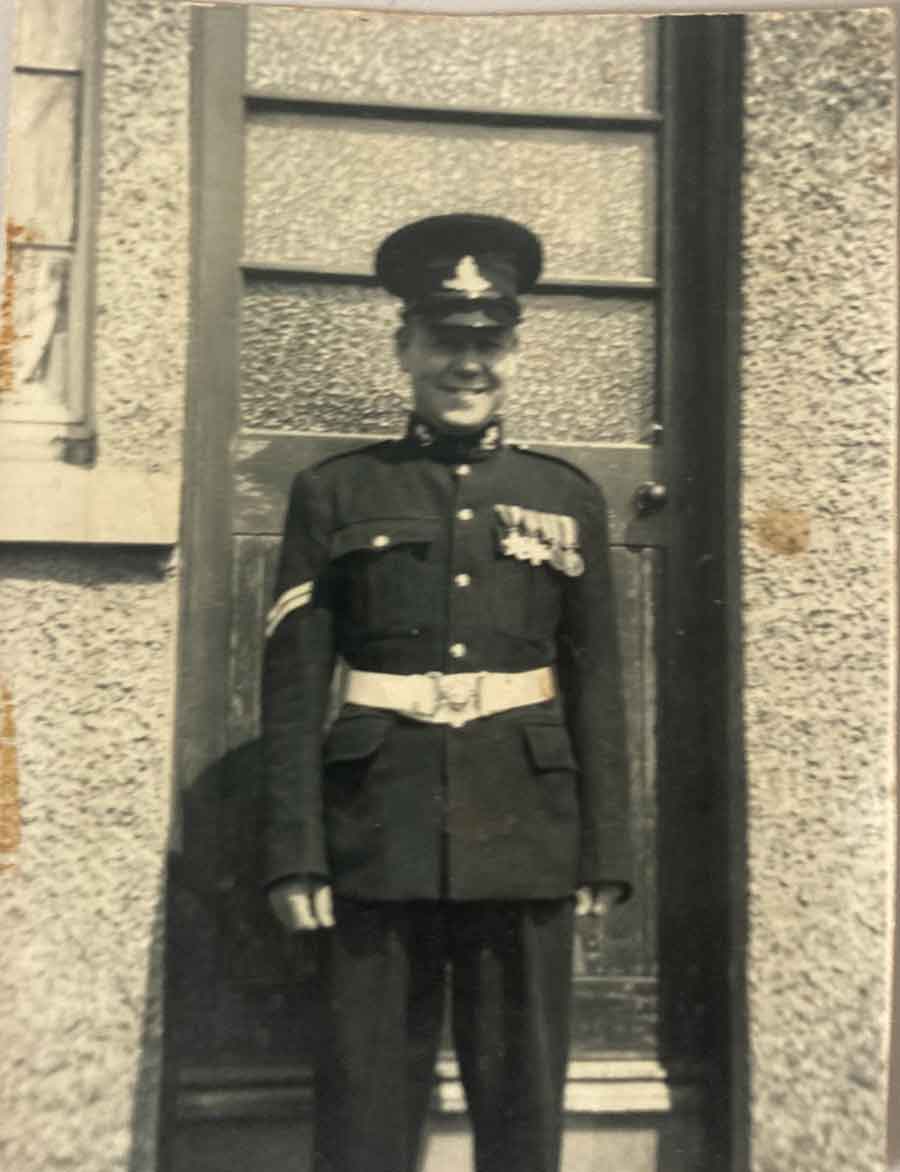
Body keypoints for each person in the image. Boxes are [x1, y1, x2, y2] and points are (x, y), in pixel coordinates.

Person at [261, 212, 633, 1172]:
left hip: (526, 836)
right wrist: (294, 853)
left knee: (521, 1107)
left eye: (488, 343)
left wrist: (605, 851)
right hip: (375, 836)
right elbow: (296, 684)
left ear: (512, 352)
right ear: (405, 349)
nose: (469, 364)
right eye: (445, 342)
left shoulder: (566, 497)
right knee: (364, 1107)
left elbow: (599, 685)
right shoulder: (336, 493)